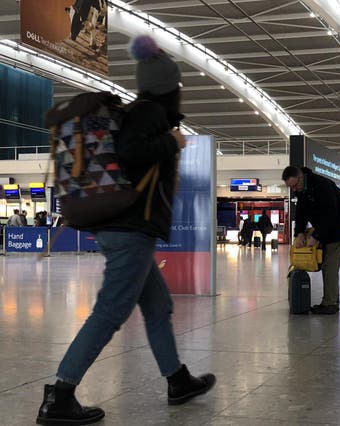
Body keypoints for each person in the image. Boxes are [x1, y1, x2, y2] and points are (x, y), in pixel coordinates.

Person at [36, 35, 214, 426]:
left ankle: (177, 379)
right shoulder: (150, 113)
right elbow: (133, 152)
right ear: (170, 87)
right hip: (130, 228)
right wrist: (170, 140)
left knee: (157, 305)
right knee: (110, 311)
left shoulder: (143, 110)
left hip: (127, 227)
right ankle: (60, 395)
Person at [282, 166, 340, 315]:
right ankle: (333, 299)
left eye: (295, 185)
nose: (294, 190)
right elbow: (301, 212)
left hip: (338, 227)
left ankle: (330, 304)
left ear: (301, 177)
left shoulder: (322, 185)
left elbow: (330, 214)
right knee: (327, 264)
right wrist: (300, 233)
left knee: (329, 266)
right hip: (326, 226)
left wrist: (316, 236)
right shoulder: (302, 189)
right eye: (291, 187)